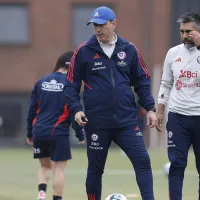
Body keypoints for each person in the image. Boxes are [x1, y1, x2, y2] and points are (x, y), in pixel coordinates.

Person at [66, 6, 160, 200]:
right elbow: (70, 86)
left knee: (143, 161)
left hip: (126, 122)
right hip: (97, 123)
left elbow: (141, 82)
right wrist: (76, 110)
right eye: (94, 26)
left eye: (102, 25)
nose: (97, 29)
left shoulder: (130, 49)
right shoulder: (83, 52)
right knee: (95, 169)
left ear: (113, 23)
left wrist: (150, 109)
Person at [26, 51, 85, 200]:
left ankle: (41, 193)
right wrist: (80, 134)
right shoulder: (70, 85)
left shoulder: (40, 82)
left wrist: (29, 133)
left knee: (45, 166)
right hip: (58, 133)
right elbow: (74, 112)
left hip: (39, 131)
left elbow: (32, 110)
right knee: (59, 170)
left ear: (58, 63)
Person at [157, 12, 200, 200]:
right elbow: (166, 83)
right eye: (182, 31)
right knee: (177, 164)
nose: (184, 36)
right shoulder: (173, 53)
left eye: (189, 31)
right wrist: (160, 110)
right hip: (177, 117)